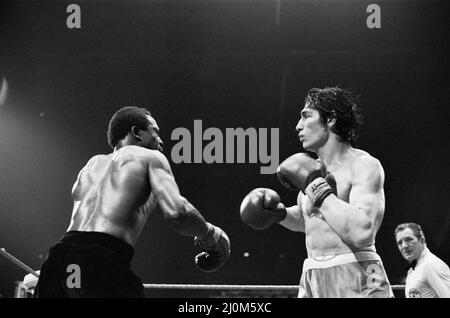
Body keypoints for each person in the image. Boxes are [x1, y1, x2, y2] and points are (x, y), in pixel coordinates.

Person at [34, 106, 230, 298]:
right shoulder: (150, 157)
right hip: (101, 261)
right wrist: (210, 235)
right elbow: (178, 213)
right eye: (156, 132)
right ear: (136, 132)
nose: (161, 141)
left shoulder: (91, 165)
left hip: (58, 261)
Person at [240, 86, 393, 298]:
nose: (297, 126)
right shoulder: (313, 170)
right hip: (314, 274)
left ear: (330, 120)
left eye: (306, 116)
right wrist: (280, 214)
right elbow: (310, 220)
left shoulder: (363, 165)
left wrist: (316, 187)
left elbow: (363, 233)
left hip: (356, 273)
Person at [395, 222, 450, 298]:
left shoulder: (431, 265)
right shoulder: (413, 270)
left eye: (408, 239)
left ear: (422, 240)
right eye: (400, 243)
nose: (404, 246)